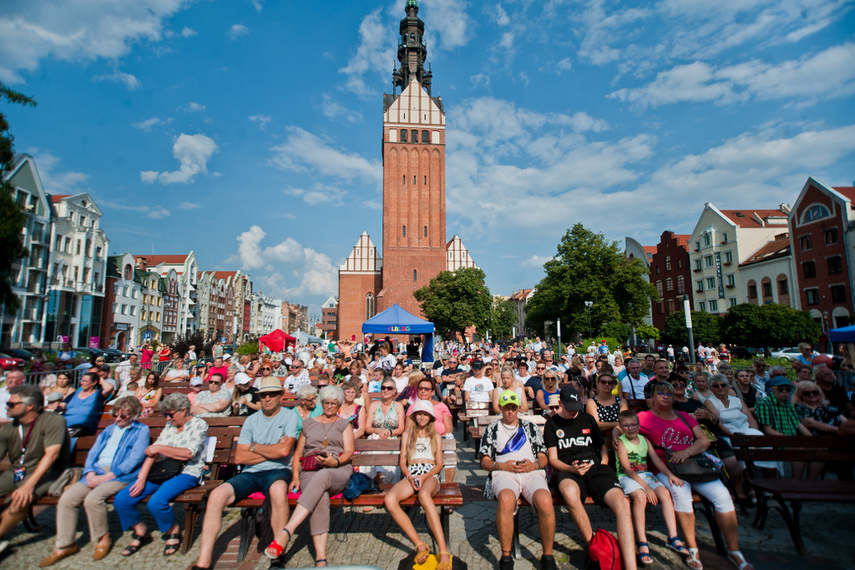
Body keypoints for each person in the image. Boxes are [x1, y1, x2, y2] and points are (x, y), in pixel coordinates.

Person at [639, 381, 753, 570]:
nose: (666, 396)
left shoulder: (684, 416)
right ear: (652, 397)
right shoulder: (644, 417)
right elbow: (624, 426)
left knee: (723, 497)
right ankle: (693, 548)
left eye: (669, 394)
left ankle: (734, 551)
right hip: (668, 468)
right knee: (682, 495)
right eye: (661, 393)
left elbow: (704, 440)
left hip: (695, 465)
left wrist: (687, 452)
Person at [192, 377, 299, 570]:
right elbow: (240, 457)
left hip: (278, 470)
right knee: (216, 496)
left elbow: (284, 452)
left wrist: (255, 447)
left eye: (272, 394)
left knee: (278, 491)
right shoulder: (251, 420)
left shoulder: (289, 416)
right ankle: (203, 560)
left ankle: (278, 553)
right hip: (250, 472)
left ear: (280, 396)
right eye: (264, 395)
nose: (267, 398)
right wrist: (271, 450)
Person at [39, 397, 149, 566]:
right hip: (96, 471)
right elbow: (93, 453)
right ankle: (65, 545)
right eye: (116, 415)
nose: (118, 419)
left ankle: (102, 537)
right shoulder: (109, 430)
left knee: (93, 499)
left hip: (120, 475)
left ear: (134, 415)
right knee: (67, 499)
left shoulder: (141, 430)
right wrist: (89, 472)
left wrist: (107, 477)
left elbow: (134, 459)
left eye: (123, 416)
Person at [544, 385, 637, 570]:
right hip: (568, 469)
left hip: (595, 467)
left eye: (576, 407)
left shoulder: (587, 419)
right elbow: (553, 460)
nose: (573, 411)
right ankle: (597, 549)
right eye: (569, 407)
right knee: (570, 493)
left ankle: (631, 565)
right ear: (560, 404)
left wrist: (603, 462)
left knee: (623, 503)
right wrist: (571, 468)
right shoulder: (552, 424)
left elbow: (602, 445)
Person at [264, 386, 354, 567]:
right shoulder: (309, 424)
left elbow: (349, 451)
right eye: (326, 403)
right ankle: (321, 558)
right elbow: (299, 453)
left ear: (338, 405)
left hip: (337, 469)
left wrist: (334, 463)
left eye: (333, 403)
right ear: (322, 403)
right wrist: (295, 476)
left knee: (325, 475)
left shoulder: (344, 424)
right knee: (320, 496)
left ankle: (287, 531)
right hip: (310, 470)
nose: (329, 406)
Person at [480, 391, 555, 570]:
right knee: (506, 499)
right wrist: (502, 466)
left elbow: (544, 457)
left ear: (518, 408)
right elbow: (484, 462)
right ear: (501, 408)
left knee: (545, 501)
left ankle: (548, 555)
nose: (510, 412)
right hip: (504, 472)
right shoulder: (492, 429)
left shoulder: (530, 428)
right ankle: (506, 557)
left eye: (513, 408)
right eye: (507, 408)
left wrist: (534, 465)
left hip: (531, 472)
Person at [0, 385, 71, 555]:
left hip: (49, 471)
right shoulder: (10, 427)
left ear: (29, 406)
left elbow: (52, 455)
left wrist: (28, 486)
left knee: (20, 500)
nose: (6, 407)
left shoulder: (53, 420)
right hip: (18, 470)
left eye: (11, 404)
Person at [385, 400, 451, 570]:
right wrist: (409, 476)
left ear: (430, 417)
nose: (422, 417)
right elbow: (402, 462)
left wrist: (424, 477)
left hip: (430, 473)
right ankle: (420, 544)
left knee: (424, 495)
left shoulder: (435, 434)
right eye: (419, 414)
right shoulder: (408, 434)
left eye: (425, 414)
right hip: (412, 472)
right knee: (390, 500)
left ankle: (443, 550)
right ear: (415, 416)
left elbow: (439, 464)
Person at [615, 409, 685, 567]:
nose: (630, 428)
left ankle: (673, 536)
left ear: (639, 426)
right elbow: (627, 468)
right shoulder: (621, 442)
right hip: (628, 477)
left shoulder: (644, 440)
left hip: (645, 474)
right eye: (626, 426)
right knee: (640, 498)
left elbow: (657, 461)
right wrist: (647, 488)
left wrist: (670, 475)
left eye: (633, 425)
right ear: (621, 427)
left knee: (665, 494)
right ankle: (642, 540)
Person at [703, 373, 767, 505]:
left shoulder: (738, 401)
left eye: (723, 385)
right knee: (740, 450)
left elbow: (751, 419)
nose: (720, 388)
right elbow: (718, 423)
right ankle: (749, 487)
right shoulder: (710, 402)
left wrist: (754, 434)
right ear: (711, 388)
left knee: (763, 444)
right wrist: (735, 437)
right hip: (729, 434)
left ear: (728, 386)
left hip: (747, 432)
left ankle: (765, 485)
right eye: (716, 386)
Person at [61, 372, 104, 437]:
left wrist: (100, 379)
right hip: (64, 425)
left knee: (62, 434)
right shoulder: (75, 393)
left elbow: (109, 387)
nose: (82, 383)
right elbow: (62, 405)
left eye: (85, 381)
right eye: (82, 380)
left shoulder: (98, 394)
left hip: (83, 426)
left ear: (94, 382)